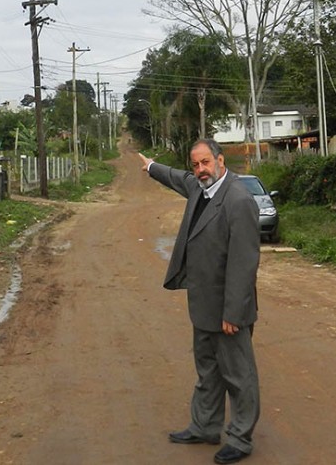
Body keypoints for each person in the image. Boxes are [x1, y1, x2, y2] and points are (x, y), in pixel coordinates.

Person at [139, 139, 260, 464]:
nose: (200, 170)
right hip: (203, 304)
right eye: (195, 165)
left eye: (205, 162)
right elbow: (177, 178)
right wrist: (151, 167)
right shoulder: (199, 187)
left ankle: (240, 438)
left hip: (228, 309)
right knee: (207, 371)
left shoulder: (238, 200)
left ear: (220, 161)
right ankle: (205, 426)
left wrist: (233, 312)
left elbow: (243, 263)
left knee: (238, 375)